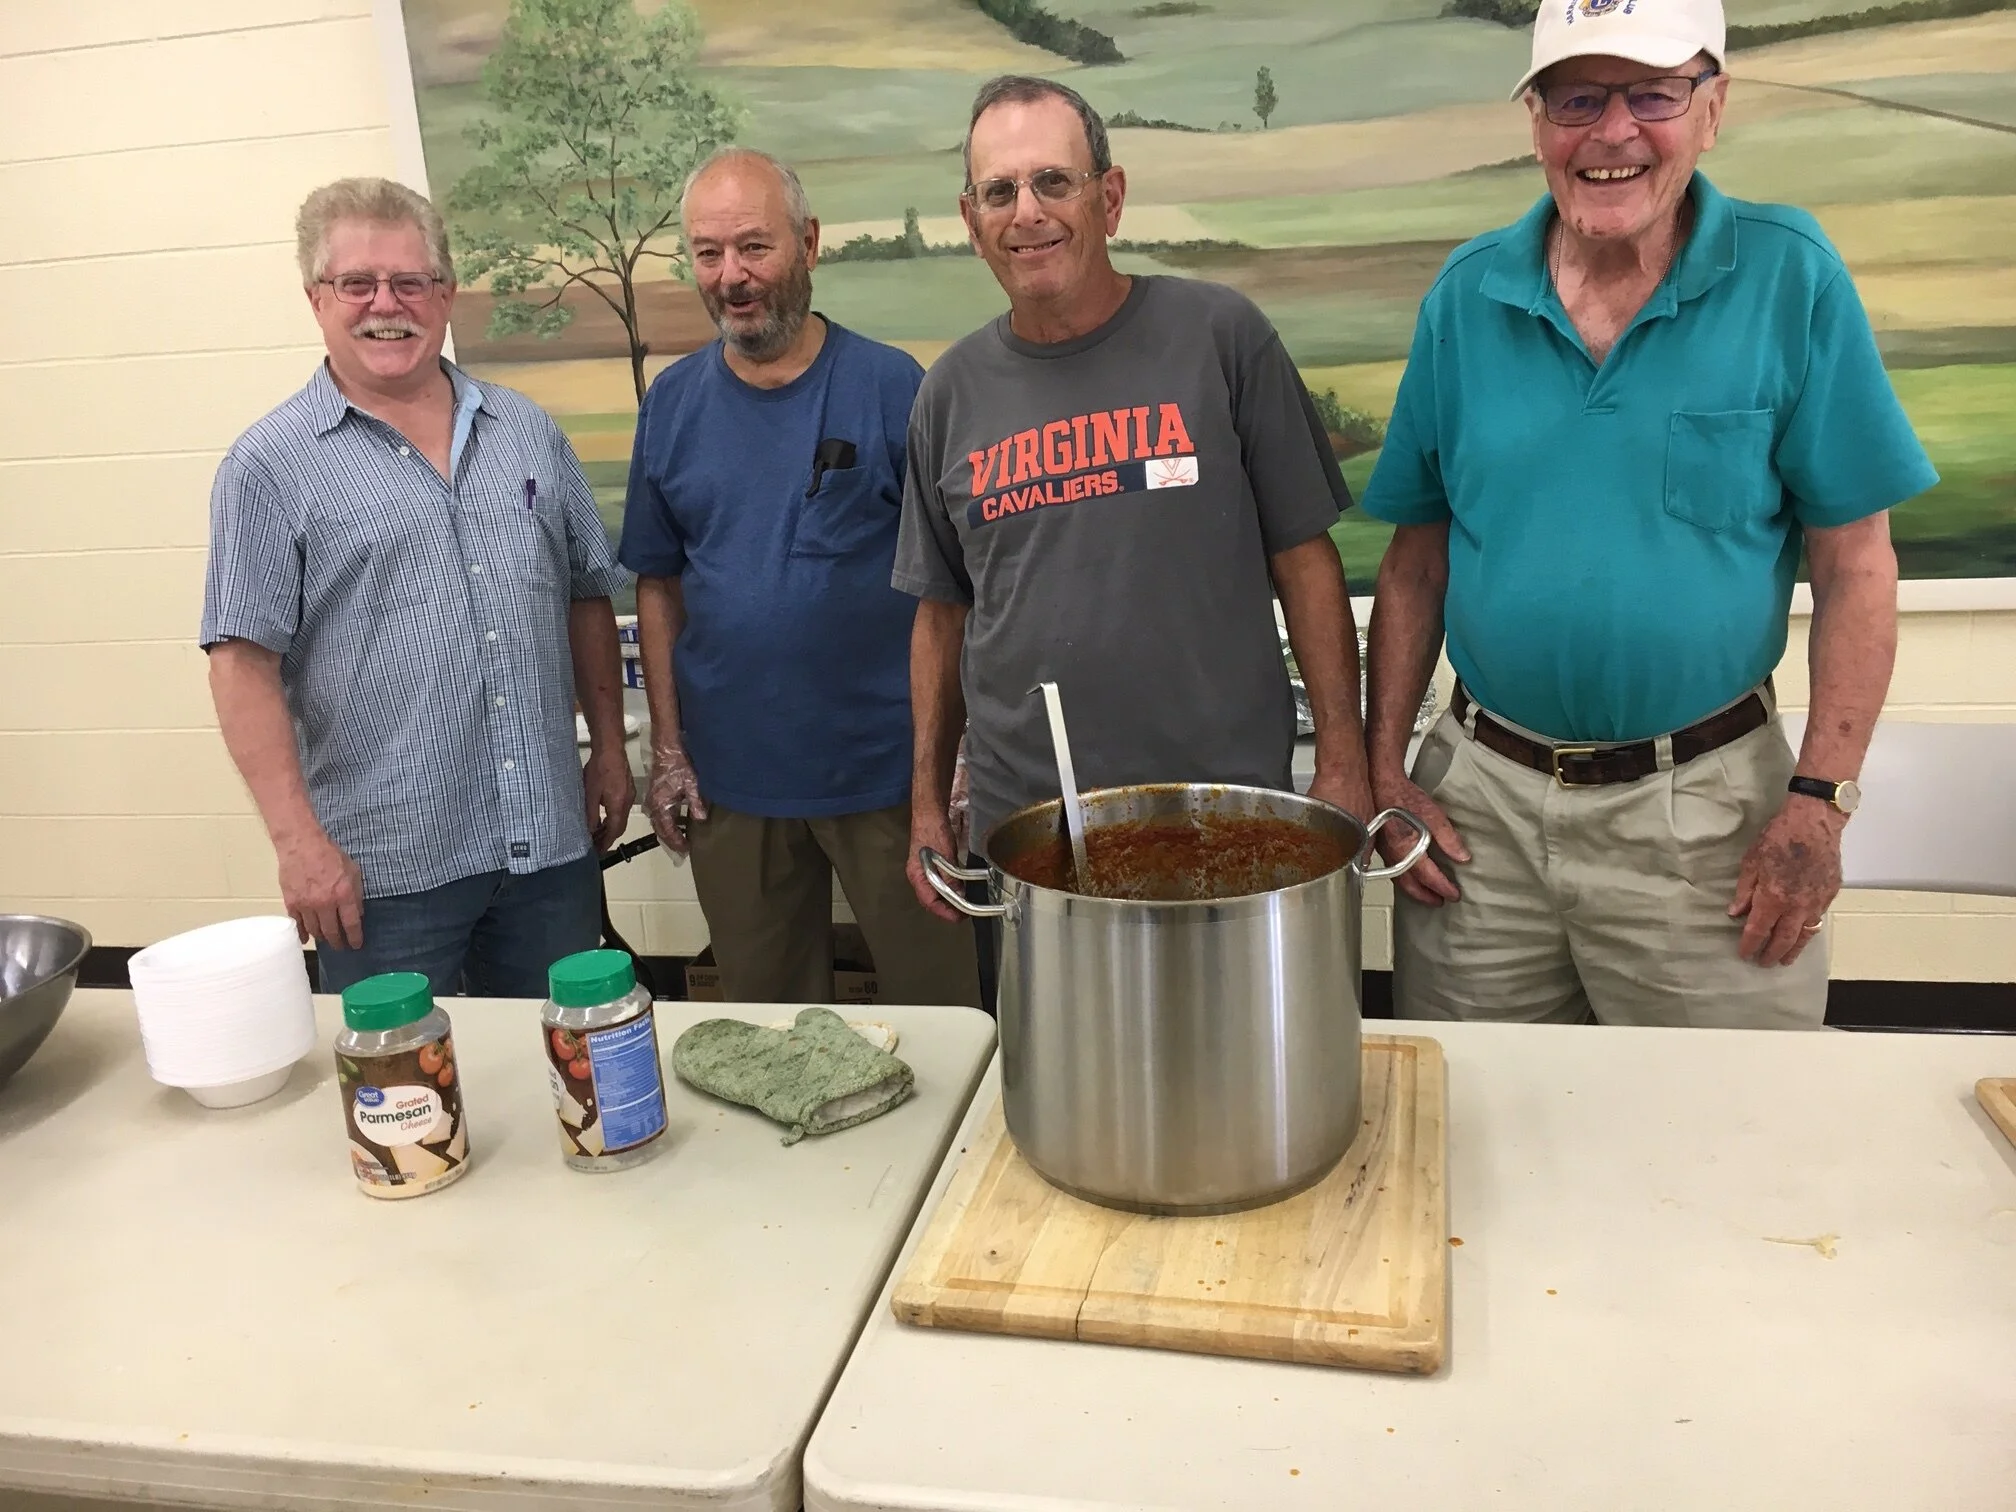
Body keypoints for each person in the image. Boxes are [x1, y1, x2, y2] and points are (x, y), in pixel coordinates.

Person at [1359, 0, 1934, 1028]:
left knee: (1720, 1146)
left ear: (1712, 111)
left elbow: (1857, 567)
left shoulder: (1789, 277)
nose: (1613, 132)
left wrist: (1819, 803)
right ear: (1537, 122)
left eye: (1653, 95)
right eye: (1578, 97)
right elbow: (1415, 561)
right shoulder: (1465, 298)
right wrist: (1385, 766)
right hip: (1480, 822)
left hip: (1709, 824)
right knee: (1477, 1133)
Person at [900, 77, 1375, 950]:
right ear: (972, 224)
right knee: (1062, 1075)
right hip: (1035, 829)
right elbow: (942, 613)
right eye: (999, 192)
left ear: (1109, 199)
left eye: (1054, 181)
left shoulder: (1223, 338)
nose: (1027, 212)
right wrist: (929, 805)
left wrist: (1343, 763)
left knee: (1239, 1071)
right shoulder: (948, 393)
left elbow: (1305, 561)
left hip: (1225, 813)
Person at [201, 177, 634, 998]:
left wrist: (609, 749)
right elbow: (240, 665)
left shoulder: (529, 434)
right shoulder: (267, 467)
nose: (384, 305)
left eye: (409, 282)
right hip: (381, 874)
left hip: (547, 846)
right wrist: (297, 845)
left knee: (568, 1079)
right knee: (405, 1101)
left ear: (446, 294)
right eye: (356, 283)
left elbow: (585, 595)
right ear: (315, 298)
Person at [621, 148, 982, 1008]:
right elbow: (658, 586)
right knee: (765, 1025)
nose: (732, 277)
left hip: (892, 780)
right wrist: (667, 751)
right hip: (735, 785)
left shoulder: (895, 388)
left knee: (947, 1018)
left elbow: (961, 588)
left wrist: (959, 755)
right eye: (708, 253)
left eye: (754, 247)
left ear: (810, 244)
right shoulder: (671, 405)